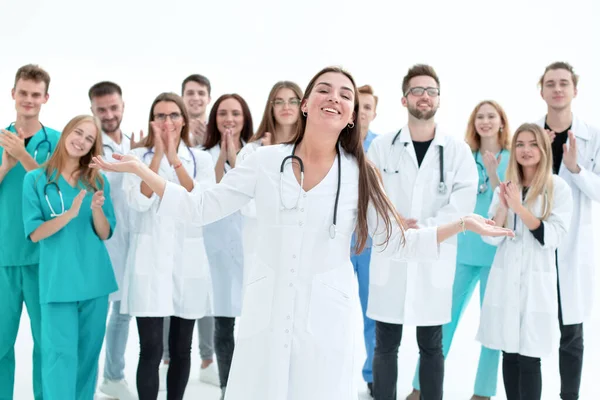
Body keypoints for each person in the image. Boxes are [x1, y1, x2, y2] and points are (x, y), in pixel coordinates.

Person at [90, 66, 513, 400]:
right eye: (325, 90)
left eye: (346, 95)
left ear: (351, 115)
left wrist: (461, 223)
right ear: (306, 103)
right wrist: (143, 169)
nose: (336, 98)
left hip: (326, 317)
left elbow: (396, 242)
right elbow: (201, 206)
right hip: (266, 310)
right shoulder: (262, 160)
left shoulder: (363, 173)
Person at [367, 64, 478, 400]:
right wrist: (395, 222)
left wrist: (420, 232)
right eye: (417, 90)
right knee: (386, 345)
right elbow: (369, 197)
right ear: (404, 99)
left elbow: (461, 206)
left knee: (432, 347)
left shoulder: (457, 151)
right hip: (392, 256)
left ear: (439, 99)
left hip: (433, 260)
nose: (424, 96)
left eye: (431, 91)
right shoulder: (382, 147)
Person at [409, 100, 511, 400]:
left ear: (502, 121)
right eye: (480, 116)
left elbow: (506, 200)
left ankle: (483, 393)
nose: (486, 121)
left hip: (496, 254)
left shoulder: (511, 158)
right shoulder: (465, 156)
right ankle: (420, 386)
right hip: (464, 250)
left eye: (492, 116)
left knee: (491, 326)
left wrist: (494, 173)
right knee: (444, 321)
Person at [120, 92, 215, 400]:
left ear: (183, 120)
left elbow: (199, 201)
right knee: (149, 348)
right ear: (152, 121)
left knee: (181, 348)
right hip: (150, 261)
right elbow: (138, 201)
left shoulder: (200, 159)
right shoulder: (136, 158)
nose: (167, 122)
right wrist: (157, 157)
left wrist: (174, 158)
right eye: (160, 116)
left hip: (187, 262)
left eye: (173, 115)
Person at [22, 114, 117, 399]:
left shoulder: (97, 180)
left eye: (89, 139)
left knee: (87, 360)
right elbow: (35, 233)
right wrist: (71, 214)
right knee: (58, 359)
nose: (81, 141)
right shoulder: (35, 180)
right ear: (65, 133)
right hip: (57, 284)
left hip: (95, 282)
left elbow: (104, 233)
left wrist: (96, 208)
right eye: (78, 133)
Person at [477, 123, 573, 400]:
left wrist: (519, 208)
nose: (526, 150)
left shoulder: (558, 188)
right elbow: (492, 238)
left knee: (530, 357)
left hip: (536, 281)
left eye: (533, 144)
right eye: (520, 144)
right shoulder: (505, 189)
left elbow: (552, 237)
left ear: (543, 149)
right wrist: (505, 209)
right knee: (510, 352)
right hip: (506, 278)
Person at [535, 61, 600, 400]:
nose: (557, 89)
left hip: (573, 247)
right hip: (537, 242)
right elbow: (518, 185)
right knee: (530, 330)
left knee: (571, 332)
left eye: (564, 83)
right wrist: (541, 154)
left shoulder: (593, 135)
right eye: (550, 83)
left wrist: (575, 168)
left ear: (575, 90)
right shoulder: (530, 134)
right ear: (541, 91)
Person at [0, 64, 60, 400]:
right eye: (23, 92)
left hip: (42, 259)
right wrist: (6, 165)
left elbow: (55, 194)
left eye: (35, 94)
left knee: (46, 344)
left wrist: (22, 156)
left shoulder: (58, 142)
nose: (28, 99)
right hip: (3, 257)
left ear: (45, 98)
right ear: (13, 93)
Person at [162, 73, 219, 389]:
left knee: (205, 297)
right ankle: (168, 359)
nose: (195, 98)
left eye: (200, 93)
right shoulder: (171, 134)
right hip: (173, 231)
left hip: (205, 230)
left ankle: (208, 359)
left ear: (208, 97)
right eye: (189, 93)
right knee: (173, 297)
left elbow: (213, 187)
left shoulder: (215, 134)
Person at [201, 93, 253, 399]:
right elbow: (215, 189)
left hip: (250, 246)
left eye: (235, 113)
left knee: (254, 322)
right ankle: (226, 387)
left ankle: (250, 386)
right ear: (214, 118)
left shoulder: (256, 153)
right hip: (217, 248)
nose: (229, 119)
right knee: (223, 323)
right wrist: (224, 154)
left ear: (245, 118)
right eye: (222, 113)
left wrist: (236, 153)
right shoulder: (203, 153)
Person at [89, 81, 137, 400]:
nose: (109, 115)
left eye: (113, 107)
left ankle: (113, 375)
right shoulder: (89, 146)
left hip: (135, 239)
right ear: (92, 110)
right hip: (103, 242)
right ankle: (88, 379)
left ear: (122, 106)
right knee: (96, 314)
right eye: (101, 109)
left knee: (124, 312)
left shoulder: (137, 143)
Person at [237, 81, 303, 297]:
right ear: (270, 107)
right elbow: (247, 207)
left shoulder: (312, 152)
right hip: (261, 246)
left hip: (301, 248)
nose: (287, 106)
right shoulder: (251, 152)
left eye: (293, 101)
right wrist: (269, 163)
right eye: (280, 101)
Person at [350, 84, 378, 397]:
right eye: (357, 106)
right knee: (335, 312)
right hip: (340, 244)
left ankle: (373, 377)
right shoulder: (334, 145)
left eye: (367, 107)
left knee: (373, 313)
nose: (361, 113)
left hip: (372, 245)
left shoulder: (384, 147)